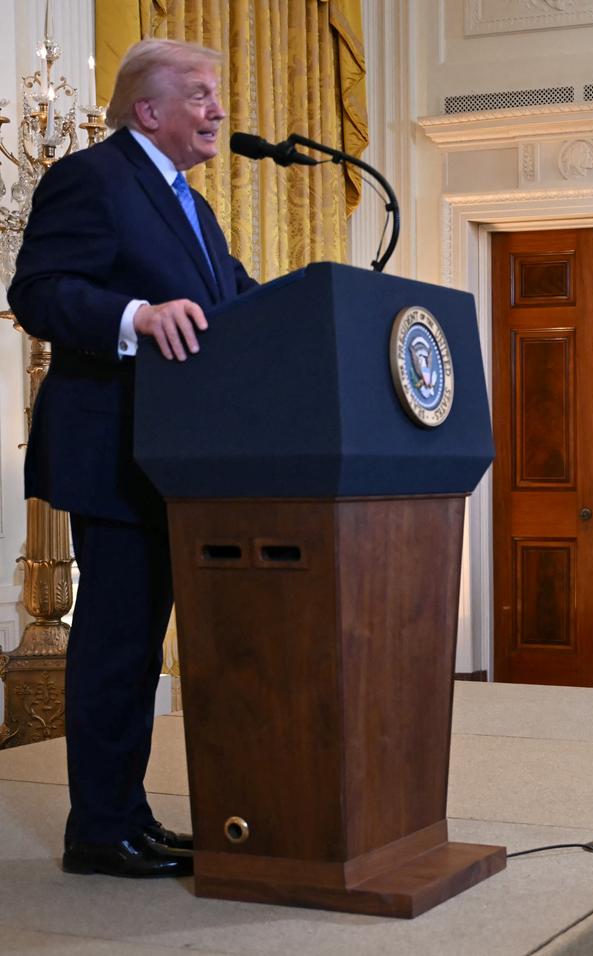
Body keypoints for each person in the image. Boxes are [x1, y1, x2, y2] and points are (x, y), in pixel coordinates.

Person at [7, 38, 256, 877]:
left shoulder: (190, 203)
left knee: (141, 645)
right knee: (117, 645)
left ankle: (128, 815)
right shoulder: (92, 177)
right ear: (148, 110)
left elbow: (236, 302)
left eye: (216, 94)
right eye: (200, 94)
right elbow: (37, 291)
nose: (218, 109)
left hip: (176, 456)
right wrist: (134, 318)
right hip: (115, 450)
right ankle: (98, 831)